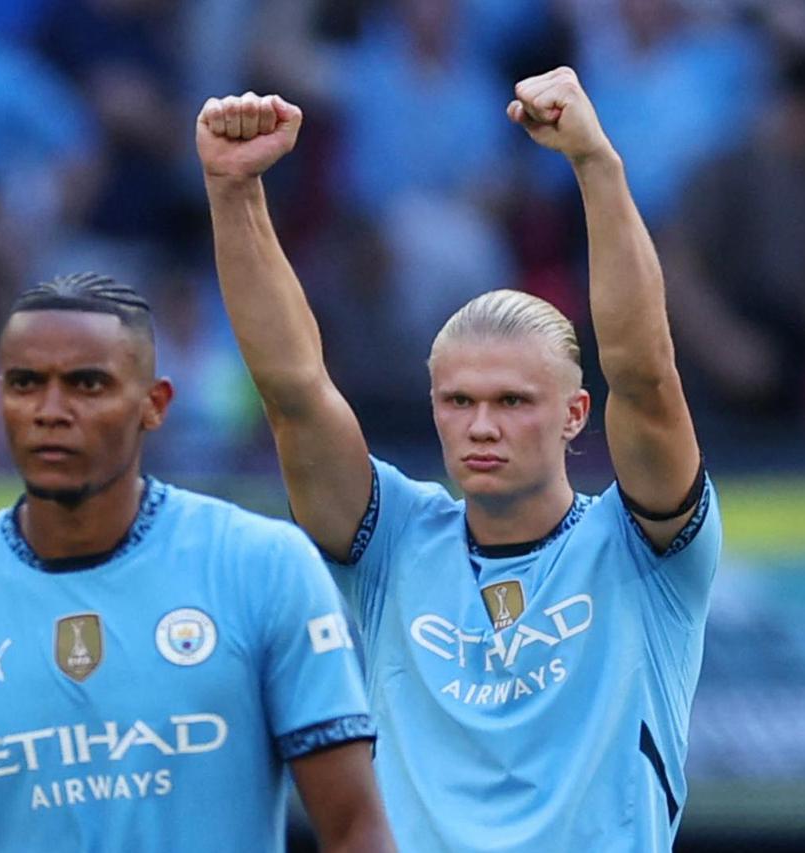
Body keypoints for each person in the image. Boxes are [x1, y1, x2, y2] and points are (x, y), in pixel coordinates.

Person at [197, 67, 721, 850]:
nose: (481, 425)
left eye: (513, 402)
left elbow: (645, 377)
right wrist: (234, 191)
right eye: (459, 401)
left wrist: (596, 165)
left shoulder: (646, 550)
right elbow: (294, 393)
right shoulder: (393, 542)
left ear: (577, 414)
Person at [0, 272, 396, 852]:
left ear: (154, 404)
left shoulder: (262, 565)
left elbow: (356, 831)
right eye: (25, 383)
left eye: (87, 385)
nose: (50, 410)